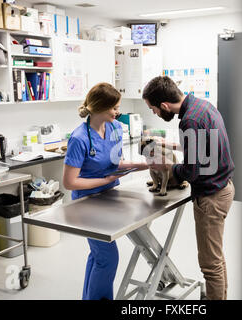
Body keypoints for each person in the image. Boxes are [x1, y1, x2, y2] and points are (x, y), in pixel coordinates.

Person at [142, 76, 235, 300]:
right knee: (216, 259)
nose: (154, 113)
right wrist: (168, 144)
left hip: (210, 197)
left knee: (210, 266)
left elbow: (191, 171)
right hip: (224, 187)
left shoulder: (189, 121)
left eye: (153, 109)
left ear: (164, 105)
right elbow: (202, 146)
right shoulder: (202, 106)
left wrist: (170, 169)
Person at [63, 82, 148, 300]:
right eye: (114, 108)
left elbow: (115, 163)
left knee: (98, 254)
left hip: (111, 197)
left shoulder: (116, 128)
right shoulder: (79, 138)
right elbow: (70, 182)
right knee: (108, 257)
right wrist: (105, 179)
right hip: (85, 203)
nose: (118, 112)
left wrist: (144, 165)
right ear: (100, 107)